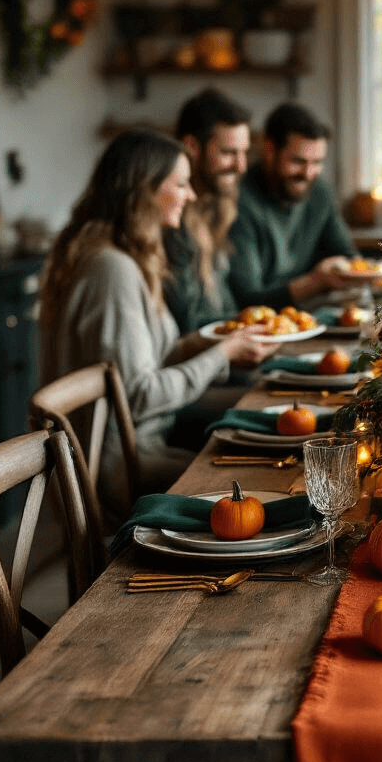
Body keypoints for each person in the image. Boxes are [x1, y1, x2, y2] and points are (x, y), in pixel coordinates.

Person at [40, 130, 275, 527]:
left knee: (264, 467)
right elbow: (139, 395)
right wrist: (222, 354)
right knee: (261, 486)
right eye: (181, 184)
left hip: (143, 448)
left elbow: (146, 362)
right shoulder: (111, 269)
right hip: (121, 466)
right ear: (144, 191)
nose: (192, 195)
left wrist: (211, 342)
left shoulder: (124, 257)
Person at [228, 102, 357, 308]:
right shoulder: (240, 203)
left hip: (315, 315)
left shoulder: (320, 194)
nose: (307, 174)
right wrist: (314, 282)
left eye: (317, 163)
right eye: (298, 161)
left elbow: (348, 256)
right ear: (270, 150)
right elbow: (248, 299)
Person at [164, 88, 251, 333]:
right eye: (228, 153)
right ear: (191, 146)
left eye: (244, 152)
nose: (241, 166)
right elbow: (188, 323)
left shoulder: (220, 207)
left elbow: (223, 305)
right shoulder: (172, 218)